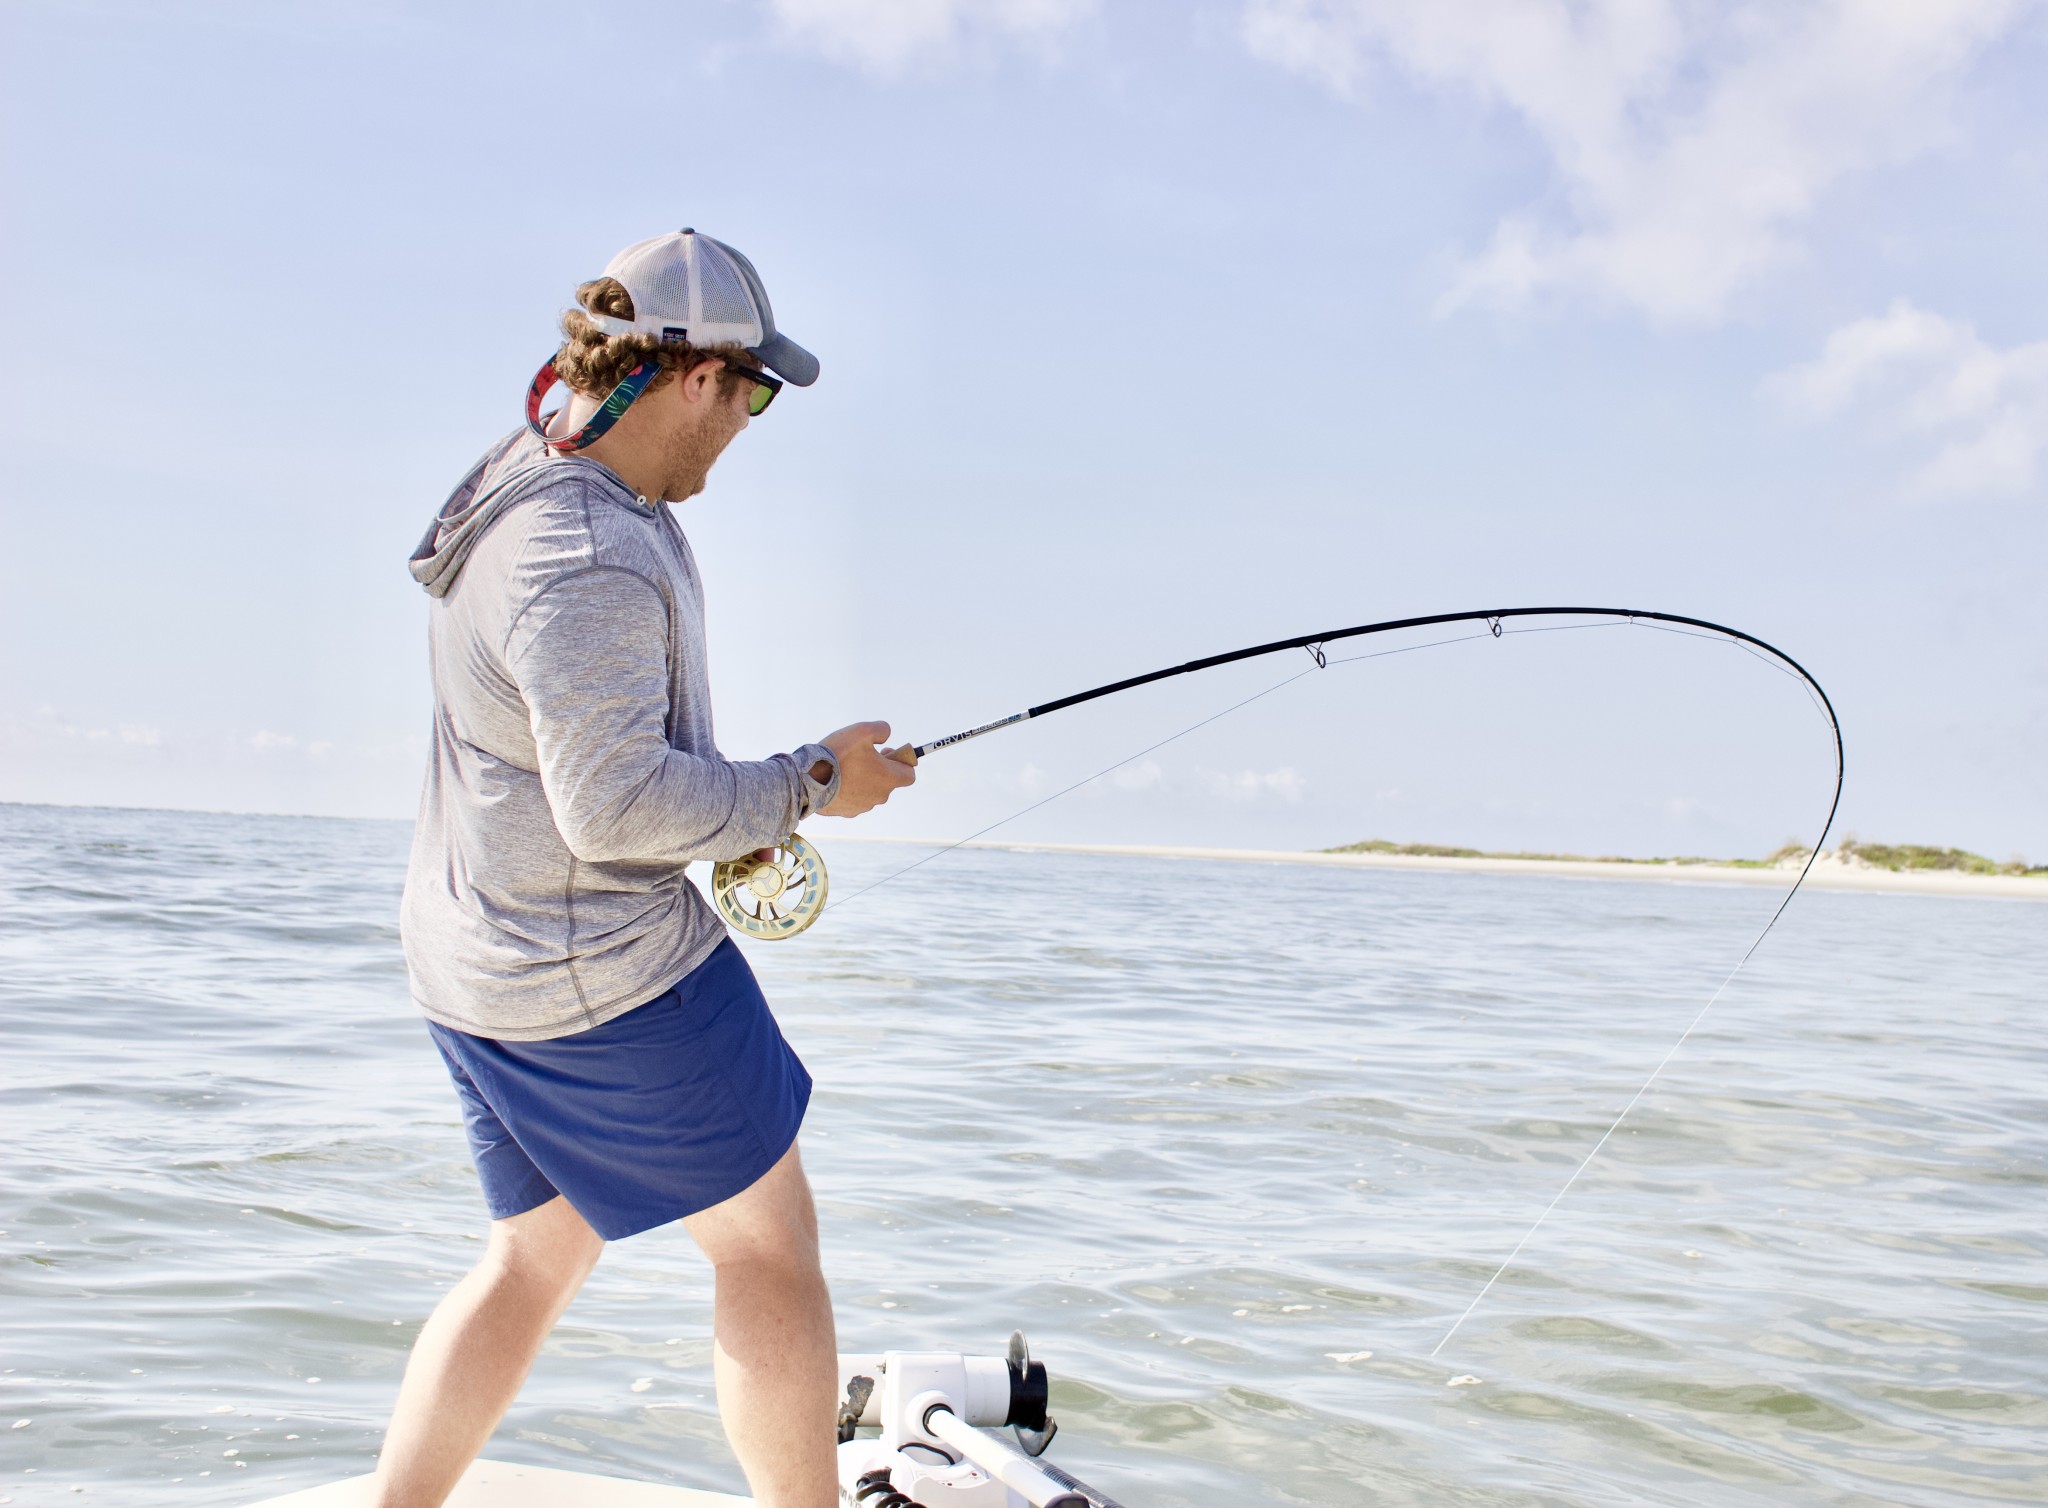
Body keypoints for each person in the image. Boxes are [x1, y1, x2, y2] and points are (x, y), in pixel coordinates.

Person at [379, 229, 914, 1508]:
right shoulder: (587, 552)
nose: (751, 419)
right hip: (599, 976)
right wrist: (812, 782)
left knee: (531, 1255)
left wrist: (751, 801)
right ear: (693, 377)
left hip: (471, 960)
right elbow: (616, 808)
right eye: (753, 389)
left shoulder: (532, 472)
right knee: (769, 1248)